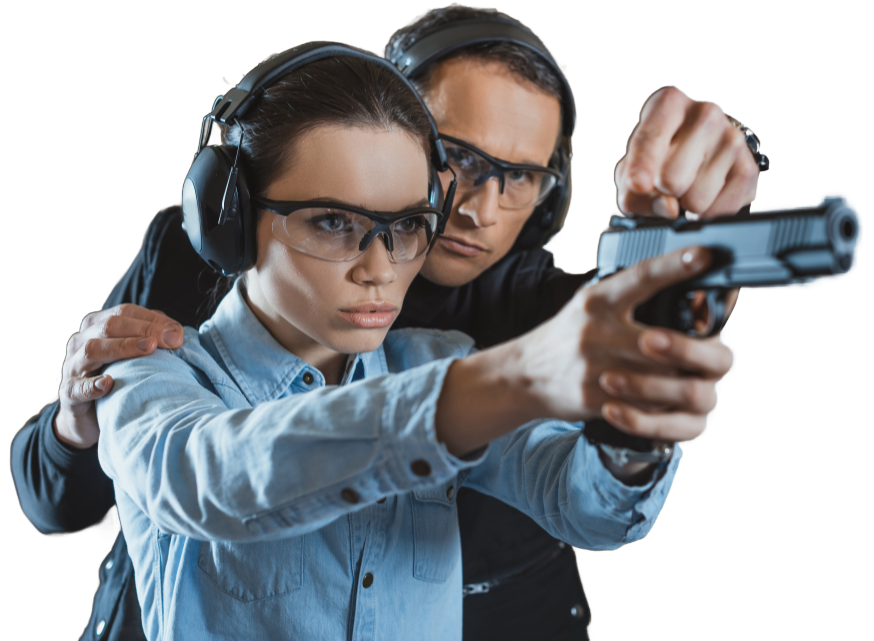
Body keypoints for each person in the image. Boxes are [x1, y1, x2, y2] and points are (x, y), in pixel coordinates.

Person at [10, 6, 754, 640]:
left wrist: (637, 423)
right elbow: (214, 476)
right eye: (333, 220)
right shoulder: (160, 355)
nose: (379, 265)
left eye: (406, 225)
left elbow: (592, 504)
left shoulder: (448, 348)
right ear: (230, 223)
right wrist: (516, 376)